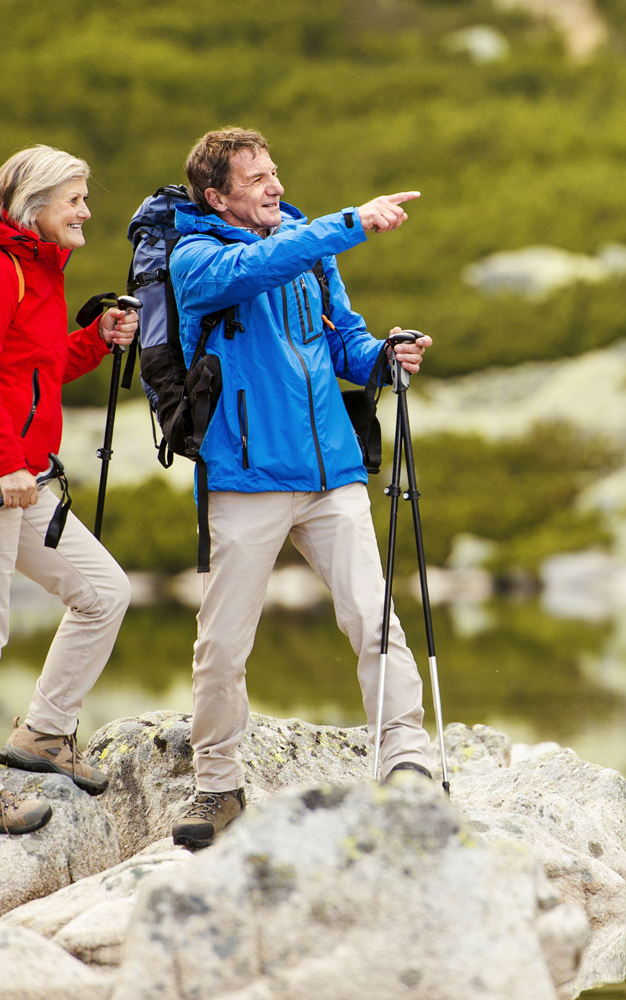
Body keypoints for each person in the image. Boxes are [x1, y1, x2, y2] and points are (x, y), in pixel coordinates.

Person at [166, 126, 436, 849]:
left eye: (275, 172)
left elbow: (342, 340)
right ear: (217, 196)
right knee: (223, 645)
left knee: (373, 618)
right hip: (246, 477)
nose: (275, 186)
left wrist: (382, 356)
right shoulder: (194, 257)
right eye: (257, 179)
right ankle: (218, 786)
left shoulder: (309, 249)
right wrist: (346, 224)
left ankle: (406, 758)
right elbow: (251, 271)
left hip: (331, 474)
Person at [0, 145, 140, 835]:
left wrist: (96, 338)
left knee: (103, 594)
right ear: (34, 204)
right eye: (74, 198)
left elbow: (34, 369)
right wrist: (10, 465)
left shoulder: (36, 270)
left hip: (15, 471)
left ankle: (43, 733)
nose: (85, 210)